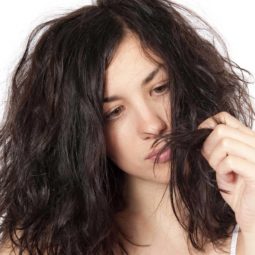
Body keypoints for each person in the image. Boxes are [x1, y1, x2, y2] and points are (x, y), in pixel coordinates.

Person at [0, 0, 254, 254]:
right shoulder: (40, 247)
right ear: (79, 134)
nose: (153, 125)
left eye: (160, 88)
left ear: (189, 82)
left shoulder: (247, 222)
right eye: (114, 112)